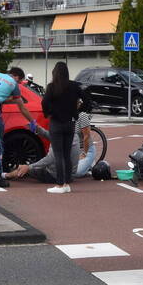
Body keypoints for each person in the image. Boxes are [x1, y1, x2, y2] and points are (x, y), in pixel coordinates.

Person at [40, 61, 84, 194]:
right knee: (66, 154)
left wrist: (48, 113)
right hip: (70, 123)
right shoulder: (74, 86)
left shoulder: (52, 87)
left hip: (56, 123)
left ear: (55, 73)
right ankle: (67, 183)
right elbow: (87, 99)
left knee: (58, 154)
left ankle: (60, 184)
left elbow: (44, 102)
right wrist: (77, 112)